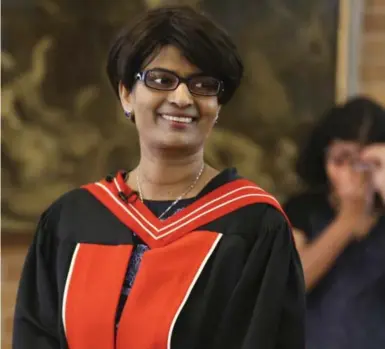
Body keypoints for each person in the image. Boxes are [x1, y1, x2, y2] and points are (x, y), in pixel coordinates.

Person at [13, 6, 305, 349]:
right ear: (126, 93)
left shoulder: (254, 226)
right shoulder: (70, 220)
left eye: (203, 85)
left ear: (218, 106)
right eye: (162, 80)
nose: (182, 98)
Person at [283, 97, 385, 349]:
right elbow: (288, 287)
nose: (354, 173)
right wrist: (348, 219)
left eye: (368, 163)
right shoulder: (303, 209)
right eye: (341, 160)